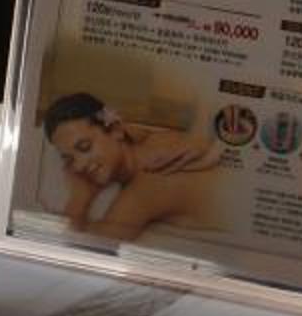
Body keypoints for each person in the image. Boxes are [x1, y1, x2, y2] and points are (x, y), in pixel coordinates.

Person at [40, 91, 222, 242]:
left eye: (84, 147)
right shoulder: (153, 141)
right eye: (69, 159)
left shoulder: (147, 186)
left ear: (116, 130)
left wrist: (79, 198)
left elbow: (79, 247)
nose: (79, 166)